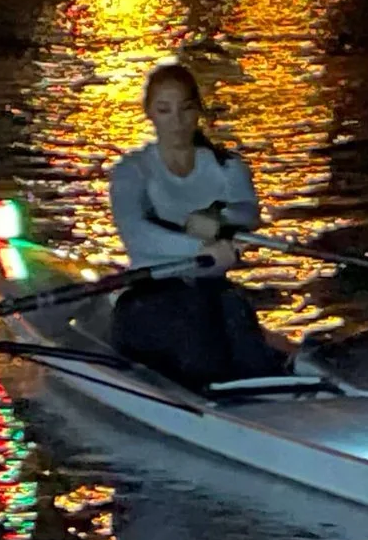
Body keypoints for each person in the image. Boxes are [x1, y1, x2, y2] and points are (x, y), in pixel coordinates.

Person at [108, 63, 293, 390]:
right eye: (165, 111)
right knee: (203, 338)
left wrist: (220, 220)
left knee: (235, 313)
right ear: (149, 113)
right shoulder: (132, 171)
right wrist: (201, 249)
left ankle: (264, 386)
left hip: (213, 295)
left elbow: (248, 212)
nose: (176, 123)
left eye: (185, 109)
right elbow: (136, 234)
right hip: (149, 300)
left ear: (198, 111)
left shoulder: (227, 165)